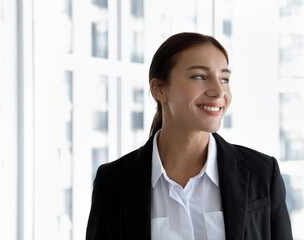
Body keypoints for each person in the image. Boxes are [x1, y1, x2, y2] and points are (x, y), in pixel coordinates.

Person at [86, 32, 293, 240]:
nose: (219, 92)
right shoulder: (113, 182)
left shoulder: (263, 173)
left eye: (224, 79)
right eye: (199, 77)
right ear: (159, 90)